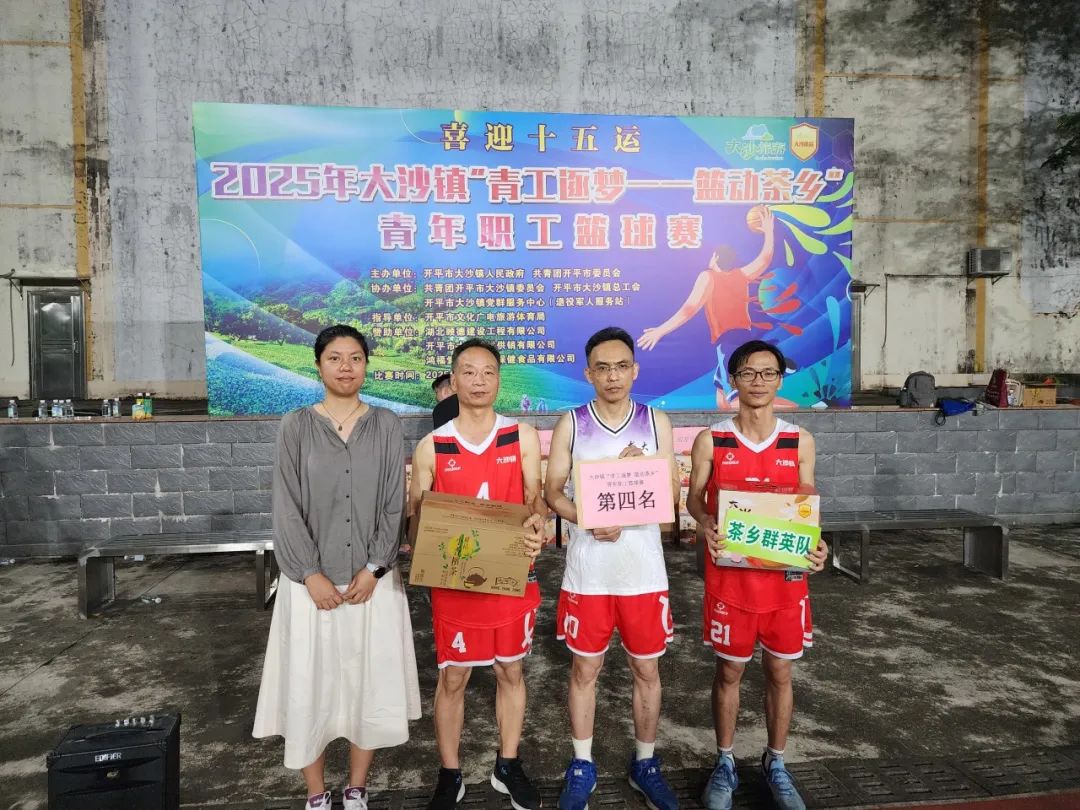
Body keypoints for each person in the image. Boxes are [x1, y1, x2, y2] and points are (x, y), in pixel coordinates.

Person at [253, 324, 421, 810]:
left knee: (368, 684)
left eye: (355, 358)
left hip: (372, 584)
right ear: (318, 364)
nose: (346, 367)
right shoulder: (296, 426)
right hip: (312, 587)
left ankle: (356, 787)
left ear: (366, 364)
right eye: (335, 358)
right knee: (311, 686)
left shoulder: (386, 424)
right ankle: (315, 793)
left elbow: (394, 502)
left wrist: (375, 567)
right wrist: (309, 573)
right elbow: (286, 506)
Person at [686, 339, 829, 810]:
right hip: (731, 582)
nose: (759, 381)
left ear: (780, 380)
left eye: (768, 373)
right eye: (748, 373)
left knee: (780, 671)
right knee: (729, 670)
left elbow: (806, 507)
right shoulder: (712, 439)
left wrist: (817, 545)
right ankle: (725, 761)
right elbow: (694, 499)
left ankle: (776, 762)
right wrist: (706, 523)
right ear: (734, 380)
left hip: (785, 582)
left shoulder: (799, 440)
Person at [543, 326, 681, 810]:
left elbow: (672, 495)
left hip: (643, 572)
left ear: (635, 370)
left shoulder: (656, 422)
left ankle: (645, 762)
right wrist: (587, 516)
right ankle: (582, 763)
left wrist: (643, 474)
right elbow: (552, 492)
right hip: (589, 572)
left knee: (646, 668)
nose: (613, 376)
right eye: (602, 368)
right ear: (588, 374)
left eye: (622, 366)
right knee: (585, 668)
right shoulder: (572, 422)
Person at [408, 338, 547, 810]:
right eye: (468, 372)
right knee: (453, 679)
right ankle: (450, 773)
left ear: (499, 380)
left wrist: (537, 523)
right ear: (453, 380)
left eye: (488, 372)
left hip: (510, 578)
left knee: (511, 670)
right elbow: (416, 520)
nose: (479, 381)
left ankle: (508, 764)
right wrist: (424, 538)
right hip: (456, 584)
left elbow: (535, 499)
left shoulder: (521, 436)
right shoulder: (432, 446)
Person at [637, 206, 780, 409]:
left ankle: (754, 422)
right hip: (743, 338)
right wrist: (769, 232)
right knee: (721, 390)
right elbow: (765, 258)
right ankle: (726, 427)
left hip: (728, 341)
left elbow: (689, 309)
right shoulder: (741, 275)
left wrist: (661, 330)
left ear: (715, 258)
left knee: (735, 395)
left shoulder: (708, 277)